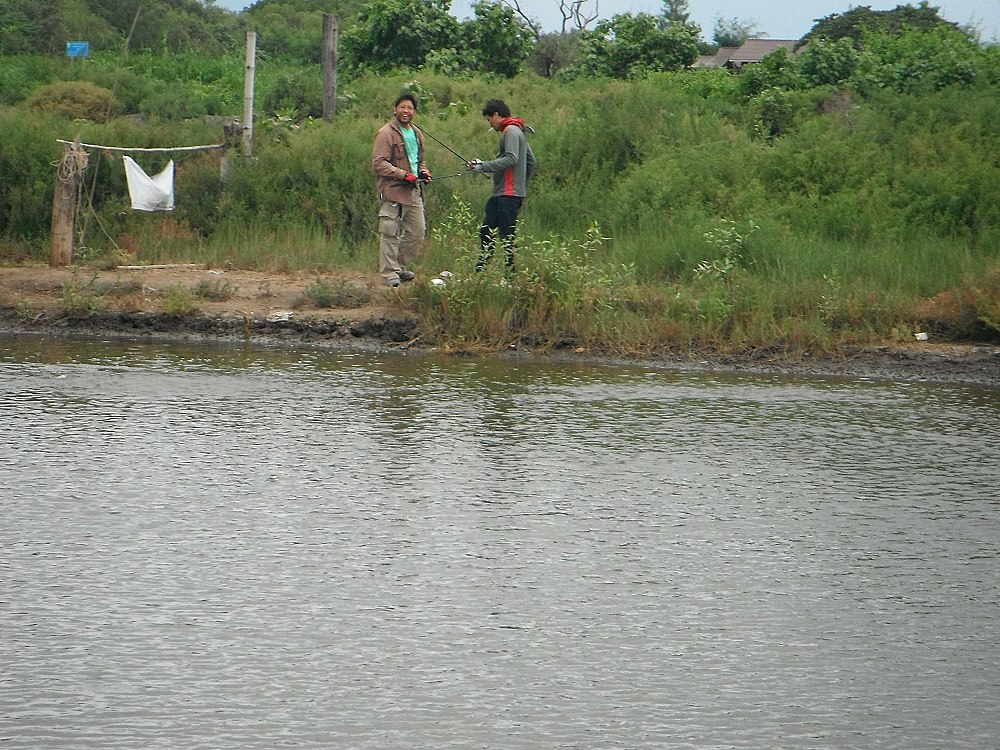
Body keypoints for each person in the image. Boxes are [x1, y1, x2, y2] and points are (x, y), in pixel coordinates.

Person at [467, 99, 535, 272]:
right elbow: (531, 161)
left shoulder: (510, 132)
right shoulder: (518, 130)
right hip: (506, 194)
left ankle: (509, 276)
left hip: (508, 195)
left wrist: (483, 166)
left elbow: (511, 159)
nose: (490, 123)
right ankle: (481, 271)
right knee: (486, 232)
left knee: (506, 237)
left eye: (489, 119)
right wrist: (521, 187)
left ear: (496, 115)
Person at [372, 92, 432, 287]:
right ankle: (390, 273)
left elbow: (420, 161)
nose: (406, 111)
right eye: (402, 107)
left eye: (410, 108)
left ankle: (400, 266)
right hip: (392, 190)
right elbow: (379, 164)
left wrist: (423, 172)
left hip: (414, 190)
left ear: (415, 112)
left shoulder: (417, 133)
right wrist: (403, 174)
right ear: (395, 109)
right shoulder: (385, 133)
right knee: (390, 232)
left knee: (417, 232)